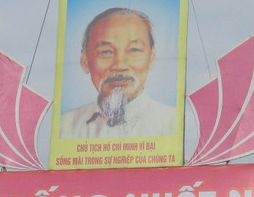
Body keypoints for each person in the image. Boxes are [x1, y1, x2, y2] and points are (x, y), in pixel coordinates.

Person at [58, 7, 175, 139]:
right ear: (85, 61)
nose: (120, 65)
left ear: (151, 58)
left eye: (134, 50)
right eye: (106, 51)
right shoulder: (64, 128)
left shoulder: (173, 123)